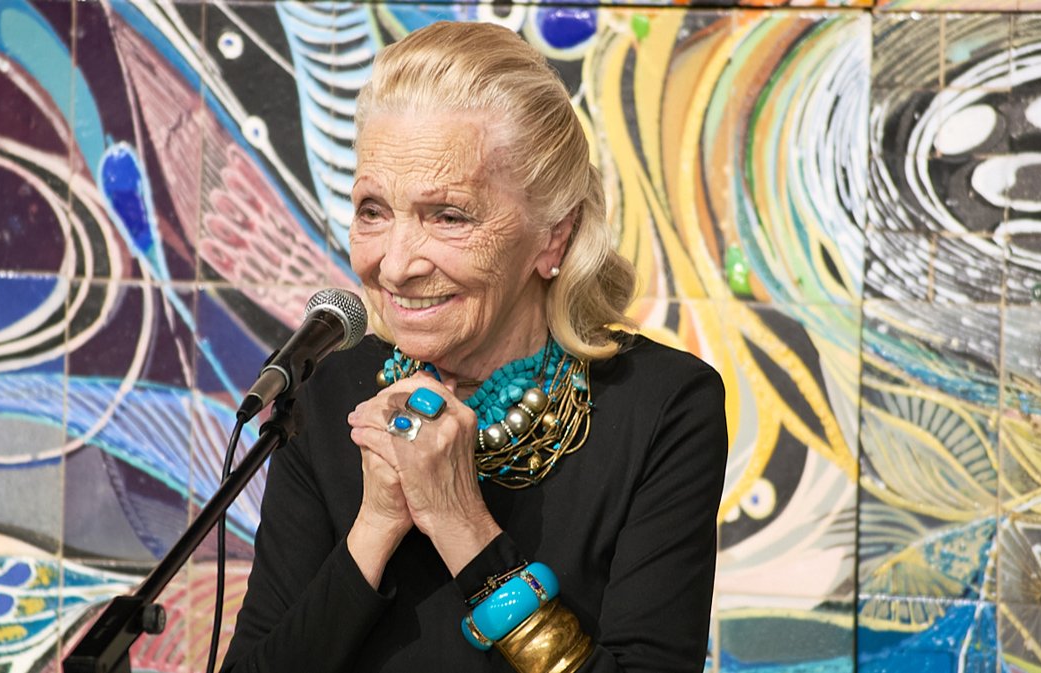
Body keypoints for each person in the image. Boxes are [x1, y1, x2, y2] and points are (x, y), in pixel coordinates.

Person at [221, 21, 727, 673]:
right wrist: (375, 526)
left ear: (554, 235)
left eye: (447, 216)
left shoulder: (662, 406)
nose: (394, 265)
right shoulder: (328, 394)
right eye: (373, 210)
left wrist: (460, 522)